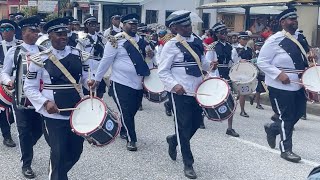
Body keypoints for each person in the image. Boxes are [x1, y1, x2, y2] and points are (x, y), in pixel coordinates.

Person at [24, 17, 92, 180]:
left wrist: (90, 81)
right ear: (49, 36)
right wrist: (45, 102)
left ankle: (56, 172)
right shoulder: (40, 59)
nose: (63, 36)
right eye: (59, 33)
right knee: (59, 151)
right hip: (53, 113)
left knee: (76, 151)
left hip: (76, 111)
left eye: (65, 33)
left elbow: (85, 77)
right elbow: (29, 87)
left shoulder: (80, 55)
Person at [158, 11, 216, 179]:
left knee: (196, 123)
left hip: (198, 91)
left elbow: (202, 63)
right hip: (180, 92)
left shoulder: (197, 41)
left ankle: (173, 140)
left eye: (189, 25)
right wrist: (174, 85)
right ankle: (188, 163)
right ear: (174, 28)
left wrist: (210, 66)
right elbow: (163, 71)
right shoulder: (171, 45)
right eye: (184, 26)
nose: (188, 28)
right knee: (183, 126)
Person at [92, 13, 153, 151]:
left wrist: (151, 57)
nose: (133, 26)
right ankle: (132, 140)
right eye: (129, 24)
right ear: (123, 25)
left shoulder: (143, 42)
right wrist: (97, 78)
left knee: (132, 110)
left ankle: (123, 127)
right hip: (120, 82)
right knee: (126, 111)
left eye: (135, 24)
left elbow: (148, 62)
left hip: (138, 83)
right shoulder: (115, 41)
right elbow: (105, 61)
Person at [257, 8, 310, 163]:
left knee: (298, 112)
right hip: (280, 85)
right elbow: (262, 62)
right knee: (286, 117)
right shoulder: (274, 40)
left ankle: (272, 128)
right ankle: (286, 149)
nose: (294, 21)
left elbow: (304, 56)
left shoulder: (300, 37)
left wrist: (310, 55)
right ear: (282, 22)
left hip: (298, 83)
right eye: (290, 19)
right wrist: (278, 74)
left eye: (295, 19)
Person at [1, 16, 44, 179]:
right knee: (24, 130)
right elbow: (4, 72)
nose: (35, 34)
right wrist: (8, 81)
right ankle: (26, 164)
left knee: (39, 129)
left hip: (39, 97)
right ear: (23, 32)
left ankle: (27, 147)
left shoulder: (43, 51)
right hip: (20, 97)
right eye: (32, 31)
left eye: (36, 31)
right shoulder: (15, 51)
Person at [206, 22, 239, 137]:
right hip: (215, 75)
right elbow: (207, 64)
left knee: (232, 100)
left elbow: (234, 62)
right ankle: (201, 118)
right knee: (209, 99)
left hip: (227, 75)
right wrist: (212, 68)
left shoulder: (231, 47)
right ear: (216, 34)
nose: (224, 34)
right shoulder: (212, 47)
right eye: (222, 33)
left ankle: (230, 128)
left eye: (225, 32)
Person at [0, 19, 21, 147]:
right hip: (1, 80)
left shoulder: (20, 45)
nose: (4, 32)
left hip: (16, 79)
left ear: (13, 31)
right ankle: (7, 136)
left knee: (16, 108)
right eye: (2, 30)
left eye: (7, 30)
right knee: (3, 109)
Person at [76, 15, 106, 98]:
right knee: (88, 93)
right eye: (90, 23)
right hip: (88, 68)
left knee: (100, 92)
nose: (93, 25)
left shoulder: (102, 39)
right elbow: (78, 54)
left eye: (95, 23)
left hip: (100, 67)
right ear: (86, 25)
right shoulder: (82, 40)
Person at [232, 31, 253, 118]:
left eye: (246, 39)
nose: (245, 41)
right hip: (239, 71)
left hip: (248, 71)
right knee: (243, 91)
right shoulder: (235, 49)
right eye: (243, 39)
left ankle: (239, 96)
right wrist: (239, 61)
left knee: (245, 90)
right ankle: (242, 110)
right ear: (239, 39)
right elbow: (233, 60)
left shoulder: (249, 49)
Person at [250, 38, 266, 110]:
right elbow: (252, 63)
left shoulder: (265, 53)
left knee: (267, 87)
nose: (259, 47)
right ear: (255, 46)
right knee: (259, 89)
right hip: (257, 73)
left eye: (261, 45)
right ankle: (258, 104)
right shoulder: (253, 53)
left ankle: (253, 96)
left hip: (264, 73)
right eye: (258, 45)